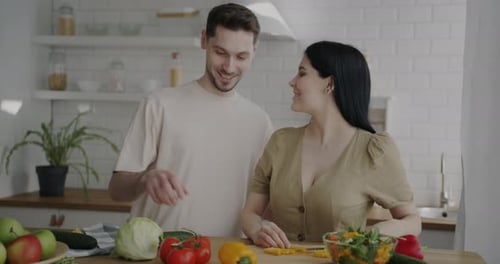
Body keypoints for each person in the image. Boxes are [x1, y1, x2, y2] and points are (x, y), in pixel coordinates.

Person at [108, 3, 274, 237]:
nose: (229, 66)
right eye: (220, 52)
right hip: (160, 252)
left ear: (254, 51)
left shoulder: (260, 122)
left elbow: (263, 205)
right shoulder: (159, 104)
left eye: (241, 56)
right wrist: (145, 180)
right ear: (204, 40)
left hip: (228, 255)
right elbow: (116, 189)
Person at [241, 41, 421, 248]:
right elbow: (250, 214)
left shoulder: (374, 150)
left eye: (302, 73)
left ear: (329, 84)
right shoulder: (280, 142)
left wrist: (378, 231)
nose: (293, 81)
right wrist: (257, 229)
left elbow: (412, 221)